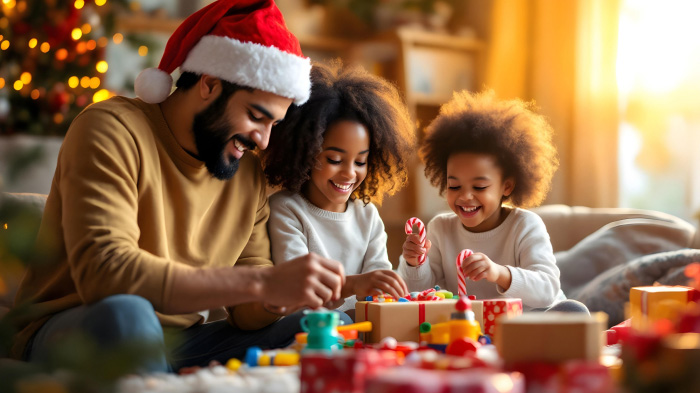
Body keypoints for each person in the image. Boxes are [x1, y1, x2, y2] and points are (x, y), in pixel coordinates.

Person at [9, 0, 346, 372]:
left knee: (322, 330)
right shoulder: (111, 128)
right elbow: (106, 274)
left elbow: (246, 315)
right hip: (77, 328)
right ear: (209, 84)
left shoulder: (246, 174)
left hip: (179, 342)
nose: (264, 141)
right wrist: (261, 281)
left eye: (273, 125)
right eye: (256, 116)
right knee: (129, 315)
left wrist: (277, 297)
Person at [398, 90, 588, 313]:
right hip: (471, 326)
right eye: (454, 186)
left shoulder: (525, 225)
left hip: (528, 321)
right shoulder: (440, 228)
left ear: (506, 186)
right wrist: (415, 264)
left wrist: (499, 273)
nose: (465, 196)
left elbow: (547, 288)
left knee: (574, 311)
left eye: (479, 187)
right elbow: (420, 294)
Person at [261, 61, 414, 321]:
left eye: (360, 161)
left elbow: (379, 287)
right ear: (305, 153)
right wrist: (354, 285)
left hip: (359, 327)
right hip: (307, 327)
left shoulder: (367, 216)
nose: (349, 173)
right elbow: (297, 291)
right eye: (334, 160)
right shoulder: (286, 209)